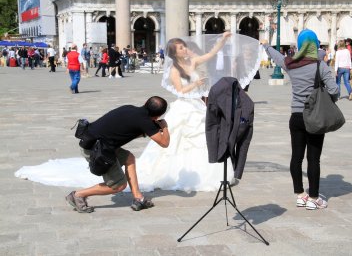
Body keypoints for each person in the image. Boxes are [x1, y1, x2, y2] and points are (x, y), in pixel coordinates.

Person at [135, 32, 235, 192]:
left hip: (197, 104)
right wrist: (195, 84)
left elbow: (211, 54)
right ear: (175, 53)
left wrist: (222, 40)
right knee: (180, 139)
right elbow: (180, 90)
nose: (184, 49)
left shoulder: (192, 61)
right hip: (184, 106)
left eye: (183, 46)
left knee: (204, 136)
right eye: (180, 47)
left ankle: (208, 171)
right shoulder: (175, 69)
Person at [261, 29, 339, 210]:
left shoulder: (291, 64)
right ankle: (313, 198)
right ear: (316, 44)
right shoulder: (320, 65)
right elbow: (335, 91)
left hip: (296, 117)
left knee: (296, 157)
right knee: (314, 159)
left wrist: (265, 45)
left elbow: (276, 56)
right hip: (315, 117)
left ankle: (300, 195)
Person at [65, 96, 170, 213]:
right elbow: (164, 143)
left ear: (145, 102)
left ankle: (138, 198)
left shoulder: (129, 108)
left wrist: (148, 130)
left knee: (129, 158)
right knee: (119, 186)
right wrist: (164, 126)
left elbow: (128, 131)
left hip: (93, 141)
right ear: (157, 116)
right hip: (96, 150)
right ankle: (77, 195)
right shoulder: (145, 121)